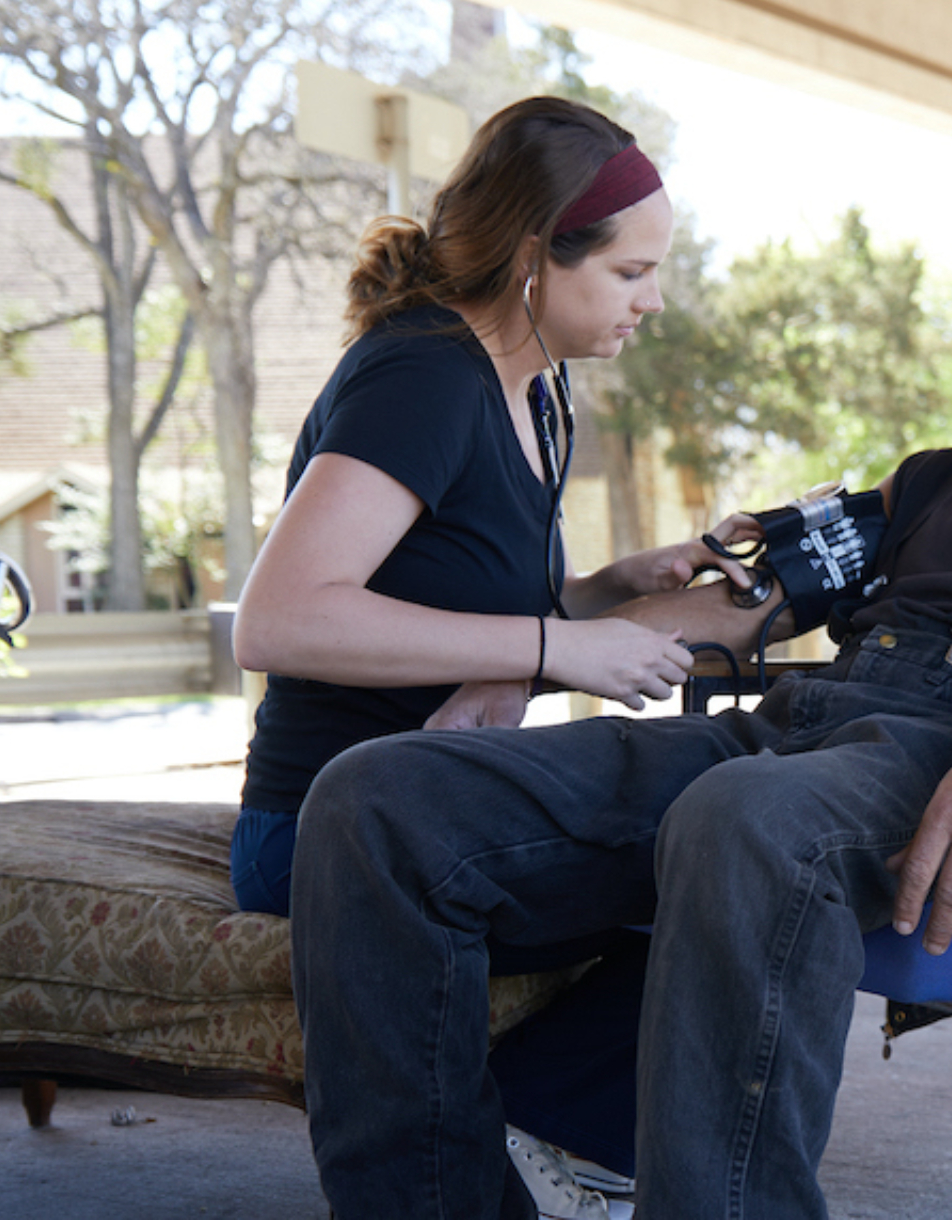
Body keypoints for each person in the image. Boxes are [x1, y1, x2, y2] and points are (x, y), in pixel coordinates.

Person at [287, 172, 952, 1219]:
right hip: (804, 729)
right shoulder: (923, 482)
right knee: (378, 798)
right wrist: (534, 657)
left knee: (746, 819)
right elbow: (733, 609)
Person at [232, 95, 756, 1212]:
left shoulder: (536, 392)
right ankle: (534, 1133)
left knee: (766, 846)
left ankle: (530, 1122)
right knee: (747, 863)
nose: (652, 300)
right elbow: (277, 617)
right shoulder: (421, 375)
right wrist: (550, 645)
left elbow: (441, 587)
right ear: (534, 260)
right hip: (327, 837)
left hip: (455, 804)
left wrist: (605, 590)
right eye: (629, 273)